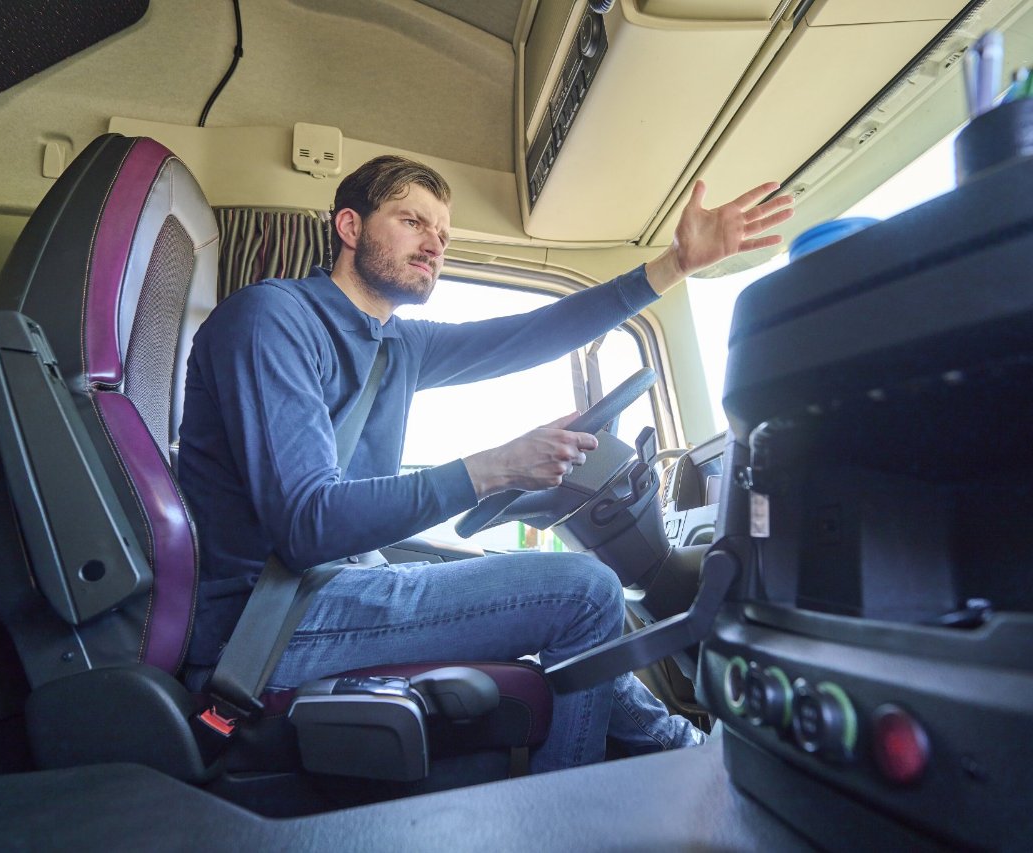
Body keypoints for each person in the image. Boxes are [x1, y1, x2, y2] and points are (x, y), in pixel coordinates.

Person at [178, 155, 793, 772]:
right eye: (412, 222)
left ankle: (686, 754)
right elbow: (308, 525)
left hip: (338, 587)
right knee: (586, 592)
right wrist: (494, 468)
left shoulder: (396, 345)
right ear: (350, 226)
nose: (433, 245)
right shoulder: (272, 319)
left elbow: (528, 336)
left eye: (443, 236)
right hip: (265, 624)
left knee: (558, 608)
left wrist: (673, 266)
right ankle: (583, 809)